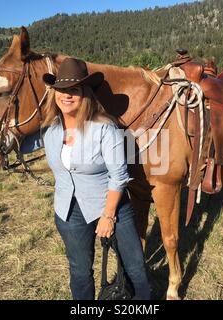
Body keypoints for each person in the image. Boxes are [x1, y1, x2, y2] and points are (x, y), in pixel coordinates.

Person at [21, 58, 151, 300]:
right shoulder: (51, 130)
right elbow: (21, 143)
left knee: (135, 267)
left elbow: (119, 176)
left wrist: (108, 216)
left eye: (74, 90)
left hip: (111, 206)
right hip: (68, 211)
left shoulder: (104, 129)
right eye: (62, 90)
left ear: (85, 94)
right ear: (55, 94)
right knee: (80, 271)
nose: (66, 95)